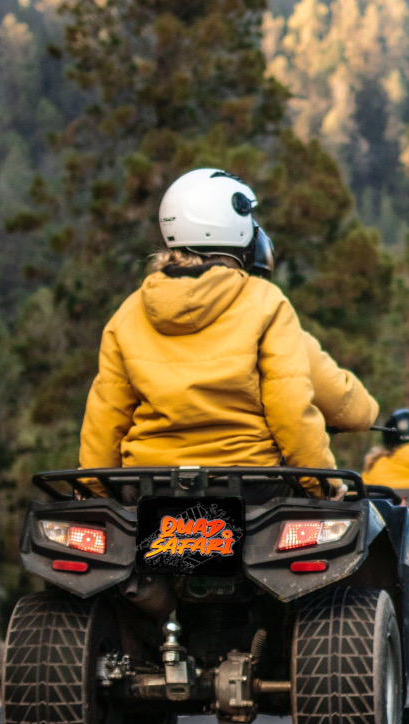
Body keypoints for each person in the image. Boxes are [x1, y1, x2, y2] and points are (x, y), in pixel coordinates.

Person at [77, 168, 341, 496]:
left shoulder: (129, 312)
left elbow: (105, 417)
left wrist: (93, 491)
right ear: (233, 225)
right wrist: (322, 484)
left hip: (149, 489)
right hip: (252, 486)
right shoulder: (265, 301)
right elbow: (290, 408)